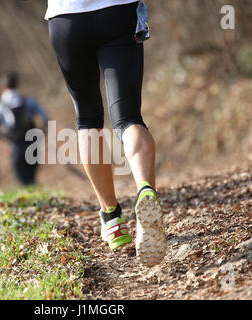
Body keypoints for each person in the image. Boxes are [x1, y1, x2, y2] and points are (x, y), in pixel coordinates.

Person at [46, 0, 167, 267]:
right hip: (117, 12)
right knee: (128, 119)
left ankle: (111, 219)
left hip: (67, 20)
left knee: (88, 121)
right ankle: (145, 189)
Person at [0, 71, 49, 186]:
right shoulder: (29, 100)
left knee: (22, 180)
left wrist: (4, 136)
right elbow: (45, 118)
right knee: (32, 178)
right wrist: (43, 133)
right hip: (32, 144)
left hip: (15, 147)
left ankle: (31, 200)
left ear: (1, 88)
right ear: (17, 84)